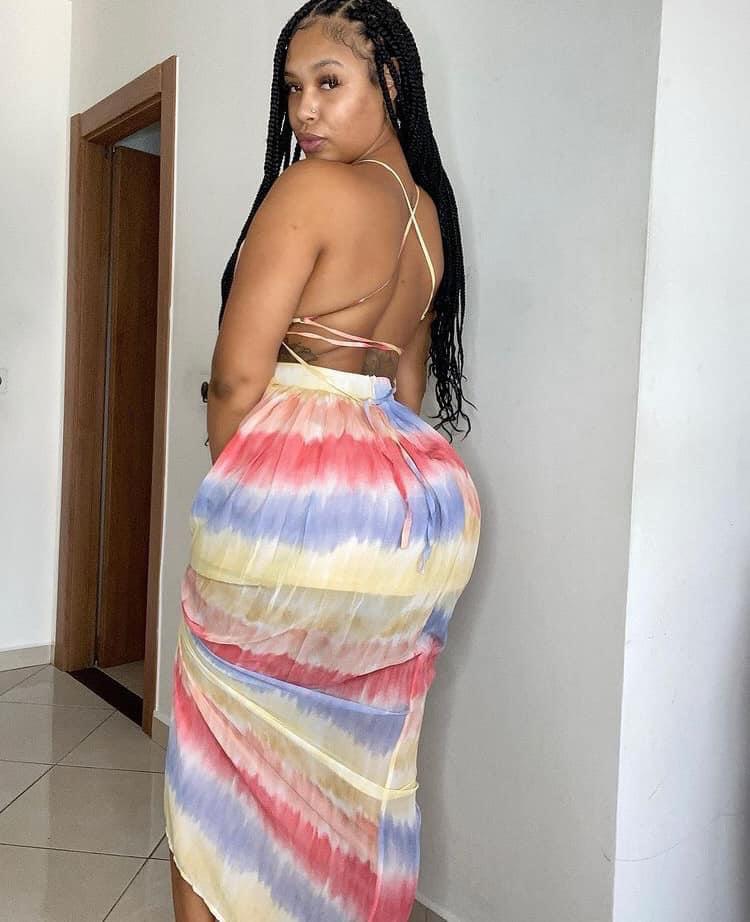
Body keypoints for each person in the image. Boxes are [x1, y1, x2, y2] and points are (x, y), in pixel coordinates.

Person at [163, 2, 481, 920]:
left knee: (219, 759)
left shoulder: (310, 190)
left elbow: (237, 375)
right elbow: (405, 388)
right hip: (408, 519)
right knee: (351, 768)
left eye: (329, 82)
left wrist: (236, 490)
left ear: (391, 81)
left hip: (293, 506)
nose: (305, 109)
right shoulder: (428, 220)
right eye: (293, 88)